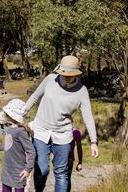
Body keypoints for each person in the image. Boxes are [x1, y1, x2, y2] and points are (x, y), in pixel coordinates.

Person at [24, 55, 98, 192]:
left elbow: (88, 117)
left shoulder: (82, 91)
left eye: (70, 74)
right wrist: (22, 113)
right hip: (41, 130)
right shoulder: (50, 80)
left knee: (62, 173)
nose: (66, 76)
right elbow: (35, 96)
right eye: (63, 73)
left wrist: (94, 142)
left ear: (76, 73)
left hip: (63, 134)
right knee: (42, 169)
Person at [0, 99, 36, 192]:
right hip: (7, 168)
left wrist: (27, 169)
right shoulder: (9, 129)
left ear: (10, 115)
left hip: (18, 171)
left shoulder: (21, 131)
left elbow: (31, 151)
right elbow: (9, 145)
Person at [67, 128, 83, 192]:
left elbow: (79, 148)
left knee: (66, 180)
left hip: (69, 160)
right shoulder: (58, 129)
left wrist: (80, 162)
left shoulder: (75, 132)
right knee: (63, 180)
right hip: (59, 160)